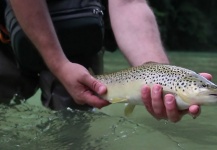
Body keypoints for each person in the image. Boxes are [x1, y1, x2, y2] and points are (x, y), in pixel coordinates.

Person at [0, 0, 212, 123]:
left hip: (80, 32)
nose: (209, 89)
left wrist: (160, 72)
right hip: (7, 29)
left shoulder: (178, 86)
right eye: (203, 86)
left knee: (73, 127)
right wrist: (59, 64)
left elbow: (128, 2)